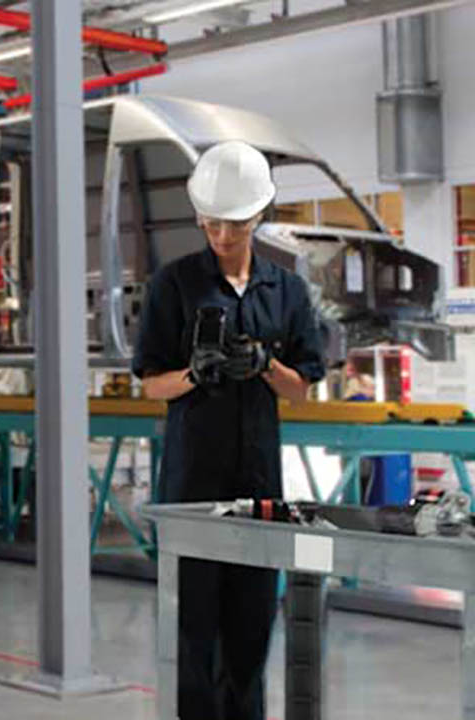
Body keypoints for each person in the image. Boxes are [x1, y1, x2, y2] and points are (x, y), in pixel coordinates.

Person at [133, 140, 326, 720]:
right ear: (199, 217)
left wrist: (265, 366)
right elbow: (150, 383)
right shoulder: (173, 286)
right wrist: (195, 374)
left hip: (258, 487)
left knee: (250, 627)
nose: (222, 235)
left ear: (259, 216)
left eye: (235, 224)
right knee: (193, 629)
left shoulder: (288, 291)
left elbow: (302, 387)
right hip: (193, 482)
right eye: (213, 223)